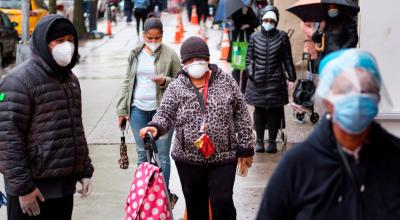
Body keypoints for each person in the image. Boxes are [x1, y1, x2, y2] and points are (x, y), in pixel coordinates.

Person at [256, 49, 400, 220]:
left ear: (377, 98)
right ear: (327, 99)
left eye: (366, 88)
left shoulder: (395, 157)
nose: (357, 98)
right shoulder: (298, 165)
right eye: (346, 89)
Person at [139, 36, 255, 220]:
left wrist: (246, 147)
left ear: (208, 59)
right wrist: (155, 127)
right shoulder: (177, 86)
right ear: (184, 63)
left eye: (199, 59)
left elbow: (241, 113)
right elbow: (165, 112)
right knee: (196, 207)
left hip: (223, 156)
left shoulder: (225, 80)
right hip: (188, 160)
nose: (195, 63)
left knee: (223, 202)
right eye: (190, 60)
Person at [0, 14, 94, 220]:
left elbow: (75, 128)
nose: (67, 46)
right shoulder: (19, 81)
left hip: (62, 187)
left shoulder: (70, 80)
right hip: (33, 189)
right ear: (44, 42)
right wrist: (23, 188)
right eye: (59, 41)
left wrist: (85, 170)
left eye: (70, 40)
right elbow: (7, 139)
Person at [116, 16, 180, 193]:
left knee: (162, 156)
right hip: (138, 111)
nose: (153, 42)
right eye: (149, 38)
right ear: (143, 35)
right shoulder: (135, 54)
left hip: (163, 113)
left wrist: (164, 81)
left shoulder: (171, 55)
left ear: (162, 36)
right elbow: (127, 82)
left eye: (157, 38)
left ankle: (163, 195)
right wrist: (122, 110)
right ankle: (143, 195)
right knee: (142, 153)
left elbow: (181, 82)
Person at [245, 5, 296, 153]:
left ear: (276, 21)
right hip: (257, 82)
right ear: (262, 20)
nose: (268, 23)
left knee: (274, 112)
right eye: (266, 19)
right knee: (259, 111)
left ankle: (272, 142)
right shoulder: (254, 37)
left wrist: (292, 77)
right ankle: (259, 141)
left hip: (276, 82)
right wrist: (252, 74)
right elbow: (249, 60)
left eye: (271, 20)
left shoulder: (282, 37)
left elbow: (287, 59)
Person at [312, 3, 358, 70]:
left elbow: (353, 39)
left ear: (339, 7)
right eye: (329, 7)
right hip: (326, 59)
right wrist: (320, 29)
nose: (331, 9)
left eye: (333, 6)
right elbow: (315, 39)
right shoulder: (326, 21)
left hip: (340, 59)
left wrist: (340, 51)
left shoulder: (347, 21)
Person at [230, 6, 259, 93]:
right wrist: (240, 23)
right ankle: (235, 87)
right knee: (237, 64)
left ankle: (244, 89)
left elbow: (257, 22)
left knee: (247, 64)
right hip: (238, 41)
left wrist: (248, 24)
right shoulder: (235, 11)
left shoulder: (250, 10)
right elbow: (233, 25)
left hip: (249, 40)